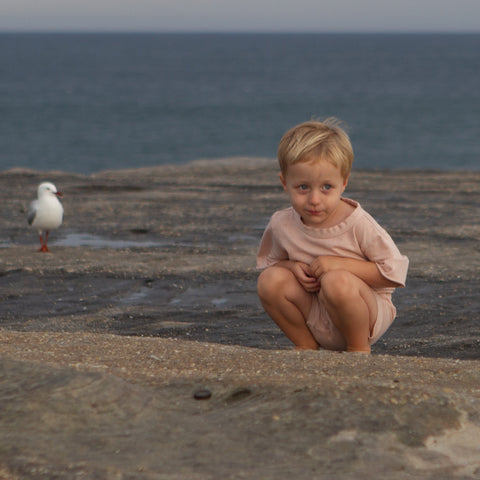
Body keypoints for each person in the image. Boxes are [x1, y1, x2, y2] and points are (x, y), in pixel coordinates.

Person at [256, 119, 409, 353]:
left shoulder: (358, 223)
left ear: (344, 183)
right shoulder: (281, 224)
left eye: (327, 187)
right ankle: (306, 345)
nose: (315, 199)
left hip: (364, 313)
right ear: (285, 183)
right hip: (314, 312)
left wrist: (341, 265)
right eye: (303, 187)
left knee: (336, 281)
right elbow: (271, 263)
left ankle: (358, 351)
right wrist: (291, 266)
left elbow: (394, 274)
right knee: (269, 280)